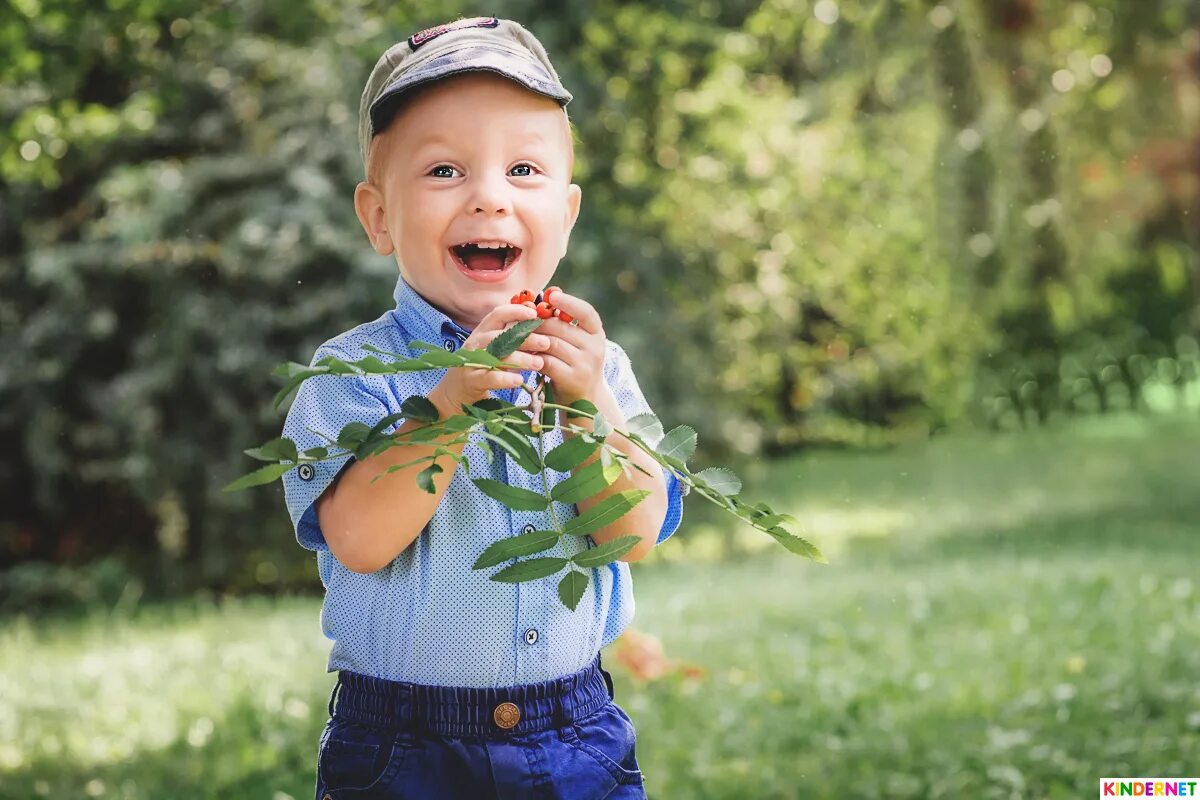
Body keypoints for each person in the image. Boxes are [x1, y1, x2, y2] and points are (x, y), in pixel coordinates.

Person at [280, 16, 686, 800]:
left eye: (524, 169)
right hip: (403, 745)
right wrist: (450, 402)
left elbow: (630, 533)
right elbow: (358, 540)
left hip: (573, 731)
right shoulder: (353, 372)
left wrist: (589, 408)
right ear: (378, 217)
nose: (489, 199)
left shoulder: (596, 365)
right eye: (443, 172)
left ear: (566, 216)